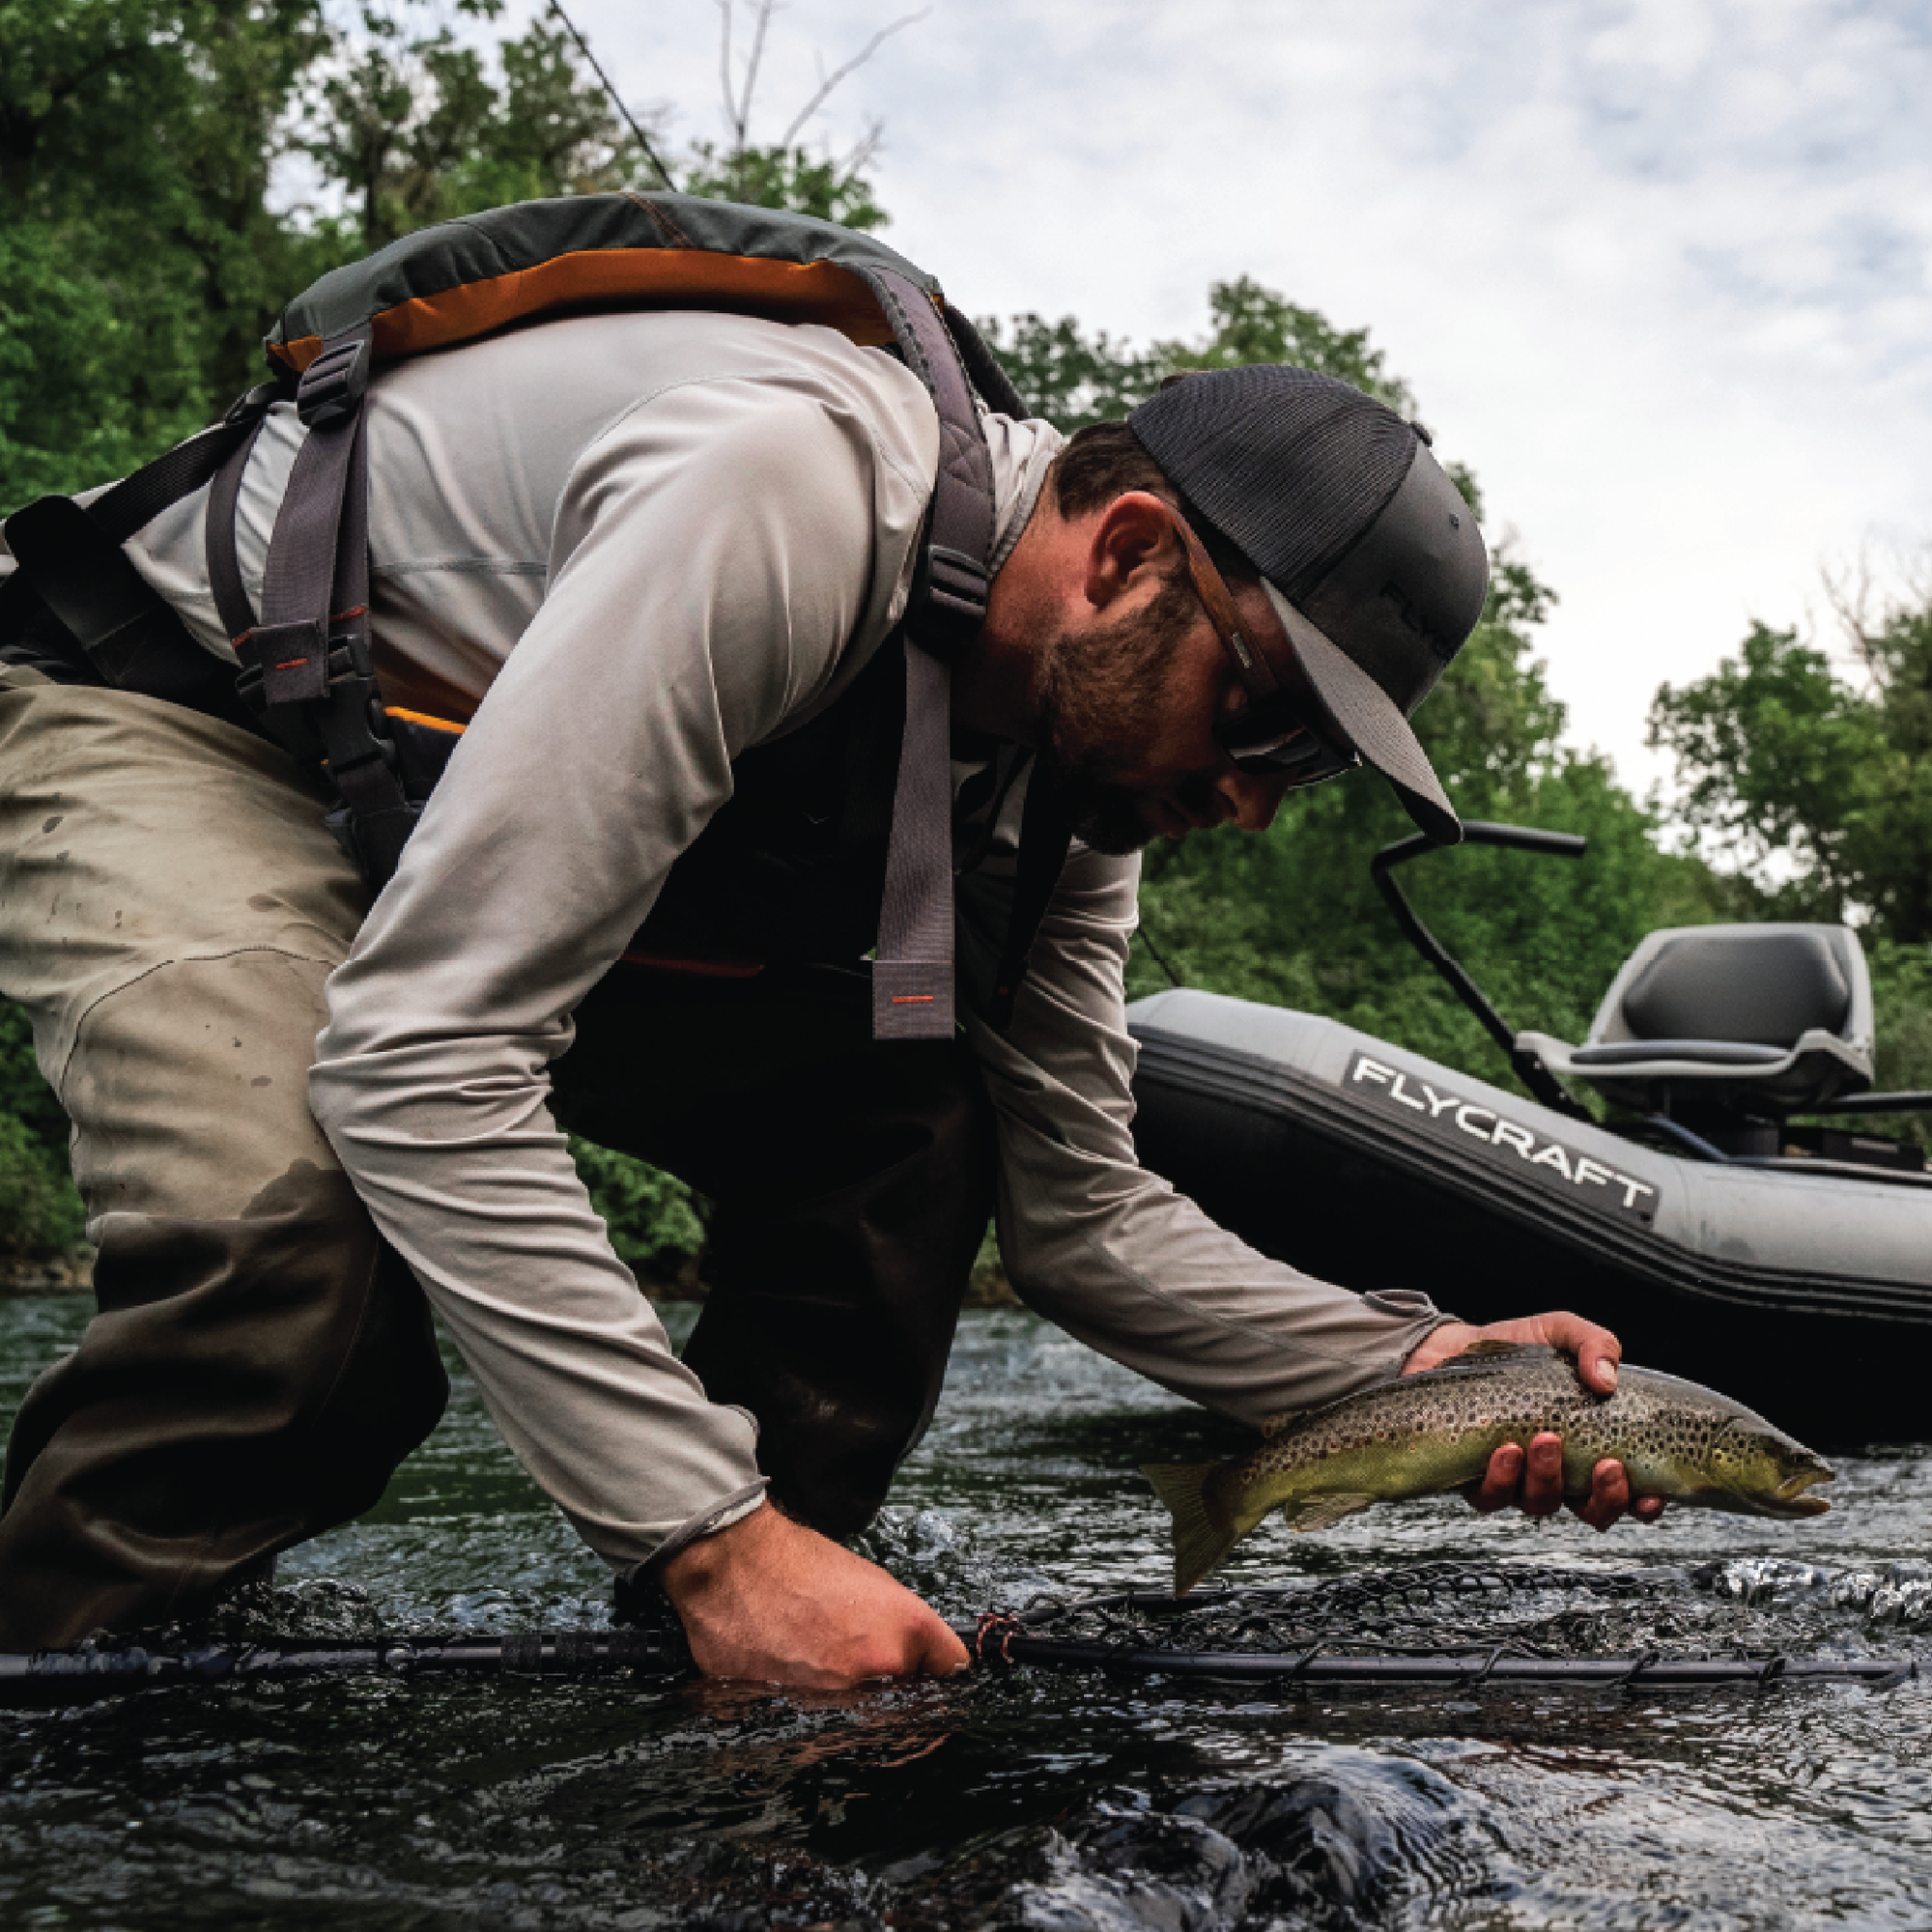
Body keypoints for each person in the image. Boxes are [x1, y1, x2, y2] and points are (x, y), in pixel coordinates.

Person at [0, 298, 1662, 1682]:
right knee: (299, 1248)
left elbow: (1080, 1218)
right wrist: (709, 1538)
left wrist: (1412, 1366)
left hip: (440, 826)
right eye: (1268, 723)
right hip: (182, 709)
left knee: (907, 1123)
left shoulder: (1058, 797)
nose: (1251, 803)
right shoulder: (789, 497)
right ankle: (70, 1710)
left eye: (1308, 772)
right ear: (1128, 555)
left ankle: (730, 1684)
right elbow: (422, 1060)